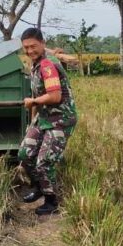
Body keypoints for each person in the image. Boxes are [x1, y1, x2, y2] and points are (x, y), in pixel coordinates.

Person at [18, 28, 77, 215]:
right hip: (43, 117)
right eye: (26, 48)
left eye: (33, 46)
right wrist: (31, 121)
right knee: (25, 154)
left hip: (60, 118)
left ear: (42, 43)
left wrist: (33, 101)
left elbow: (55, 96)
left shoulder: (47, 66)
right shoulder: (35, 64)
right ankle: (39, 187)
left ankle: (51, 201)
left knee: (44, 163)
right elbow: (36, 95)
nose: (29, 51)